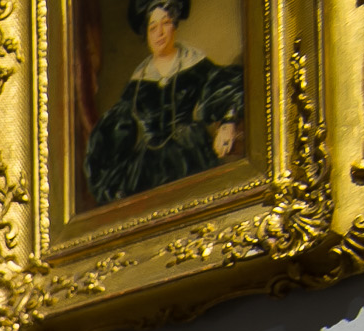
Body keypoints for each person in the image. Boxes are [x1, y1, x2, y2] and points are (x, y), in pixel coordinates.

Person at [84, 0, 244, 206]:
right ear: (146, 33)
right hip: (148, 163)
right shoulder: (138, 81)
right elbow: (115, 128)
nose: (159, 33)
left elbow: (226, 85)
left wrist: (228, 121)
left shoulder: (194, 63)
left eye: (166, 23)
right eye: (152, 27)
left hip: (190, 152)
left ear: (175, 25)